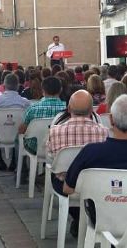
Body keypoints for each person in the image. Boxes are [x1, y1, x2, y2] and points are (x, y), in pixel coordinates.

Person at [46, 89, 109, 237]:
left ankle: (78, 218)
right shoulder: (104, 132)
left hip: (65, 185)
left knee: (55, 173)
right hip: (96, 184)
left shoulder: (55, 131)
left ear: (68, 109)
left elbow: (50, 159)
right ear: (91, 111)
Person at [19, 76, 66, 155]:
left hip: (35, 147)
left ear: (43, 91)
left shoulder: (33, 109)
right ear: (61, 90)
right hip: (59, 147)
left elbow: (22, 130)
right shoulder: (67, 110)